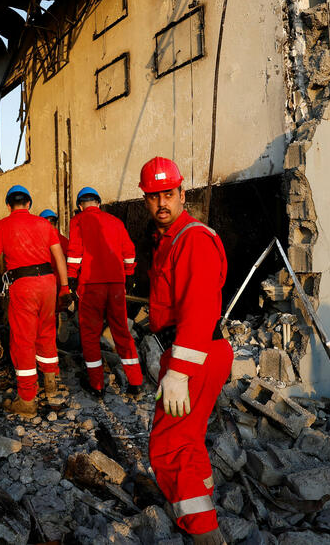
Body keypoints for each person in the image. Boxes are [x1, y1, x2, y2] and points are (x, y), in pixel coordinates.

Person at [140, 156, 232, 543]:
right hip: (197, 350)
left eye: (168, 194)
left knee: (169, 444)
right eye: (153, 196)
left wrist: (178, 371)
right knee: (189, 436)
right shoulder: (170, 239)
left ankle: (204, 533)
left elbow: (198, 309)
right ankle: (202, 497)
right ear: (145, 199)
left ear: (182, 194)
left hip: (194, 353)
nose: (162, 202)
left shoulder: (192, 238)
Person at [0, 187, 70, 415]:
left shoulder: (2, 225)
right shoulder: (44, 225)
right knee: (46, 333)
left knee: (23, 339)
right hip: (48, 284)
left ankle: (27, 400)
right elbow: (58, 257)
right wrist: (64, 287)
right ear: (28, 204)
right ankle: (51, 388)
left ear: (8, 205)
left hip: (23, 286)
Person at [66, 186, 144, 396]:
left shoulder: (78, 221)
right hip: (116, 285)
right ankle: (136, 381)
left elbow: (74, 252)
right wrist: (128, 274)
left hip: (91, 286)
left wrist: (71, 277)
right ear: (98, 203)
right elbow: (129, 252)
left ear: (80, 206)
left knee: (90, 336)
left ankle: (97, 385)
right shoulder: (115, 222)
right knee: (122, 332)